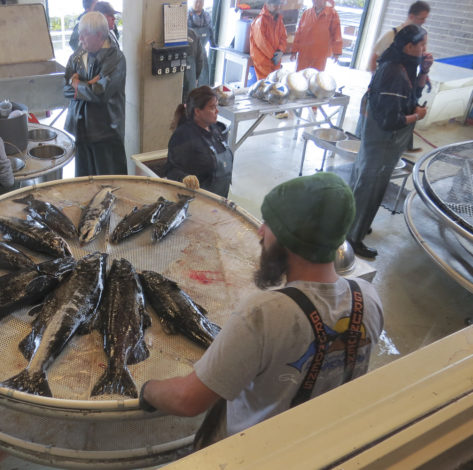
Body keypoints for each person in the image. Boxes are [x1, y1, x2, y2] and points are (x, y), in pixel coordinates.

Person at [138, 172, 384, 443]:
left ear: (292, 239)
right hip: (328, 442)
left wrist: (148, 390)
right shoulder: (369, 298)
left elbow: (188, 400)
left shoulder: (265, 313)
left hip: (260, 453)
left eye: (270, 224)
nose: (260, 231)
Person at [348, 25, 431, 259]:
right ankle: (353, 238)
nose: (426, 48)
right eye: (422, 44)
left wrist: (424, 71)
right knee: (370, 186)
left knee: (365, 181)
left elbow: (412, 93)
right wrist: (416, 116)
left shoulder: (404, 64)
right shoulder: (394, 71)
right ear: (408, 46)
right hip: (383, 141)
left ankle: (357, 223)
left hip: (382, 142)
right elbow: (390, 120)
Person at [357, 1, 430, 149]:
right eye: (421, 18)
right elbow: (374, 57)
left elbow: (416, 88)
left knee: (394, 137)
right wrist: (377, 81)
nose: (423, 22)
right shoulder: (392, 35)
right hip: (388, 89)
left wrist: (424, 71)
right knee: (375, 138)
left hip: (404, 90)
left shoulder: (420, 36)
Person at [64, 11, 127, 177]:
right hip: (81, 130)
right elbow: (65, 88)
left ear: (99, 35)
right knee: (84, 179)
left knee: (108, 181)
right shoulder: (78, 56)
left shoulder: (116, 59)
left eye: (85, 35)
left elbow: (100, 93)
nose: (80, 39)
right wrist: (81, 84)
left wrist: (78, 83)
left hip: (105, 132)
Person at [164, 86, 233, 198]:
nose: (217, 111)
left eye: (216, 106)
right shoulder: (183, 136)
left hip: (219, 199)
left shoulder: (215, 129)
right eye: (212, 107)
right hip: (196, 201)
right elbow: (170, 170)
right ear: (197, 111)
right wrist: (184, 177)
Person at [290, 0, 342, 71]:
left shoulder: (332, 14)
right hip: (304, 54)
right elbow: (298, 33)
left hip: (319, 56)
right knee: (300, 77)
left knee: (315, 78)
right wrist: (294, 51)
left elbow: (337, 34)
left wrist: (337, 52)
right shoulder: (306, 13)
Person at [249, 0, 287, 80]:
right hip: (264, 62)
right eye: (275, 4)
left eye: (279, 4)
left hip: (275, 61)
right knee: (264, 86)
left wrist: (280, 51)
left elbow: (283, 37)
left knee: (273, 86)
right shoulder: (261, 20)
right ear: (267, 4)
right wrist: (274, 56)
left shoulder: (279, 20)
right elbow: (262, 43)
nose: (278, 7)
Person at [188, 0, 214, 86]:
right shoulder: (187, 15)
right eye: (196, 2)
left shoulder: (207, 16)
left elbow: (211, 31)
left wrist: (213, 43)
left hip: (202, 51)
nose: (198, 4)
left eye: (201, 2)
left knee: (203, 79)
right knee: (190, 80)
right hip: (190, 53)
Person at [182, 29, 207, 103]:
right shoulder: (193, 34)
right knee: (188, 104)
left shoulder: (169, 34)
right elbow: (200, 60)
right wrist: (196, 77)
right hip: (191, 77)